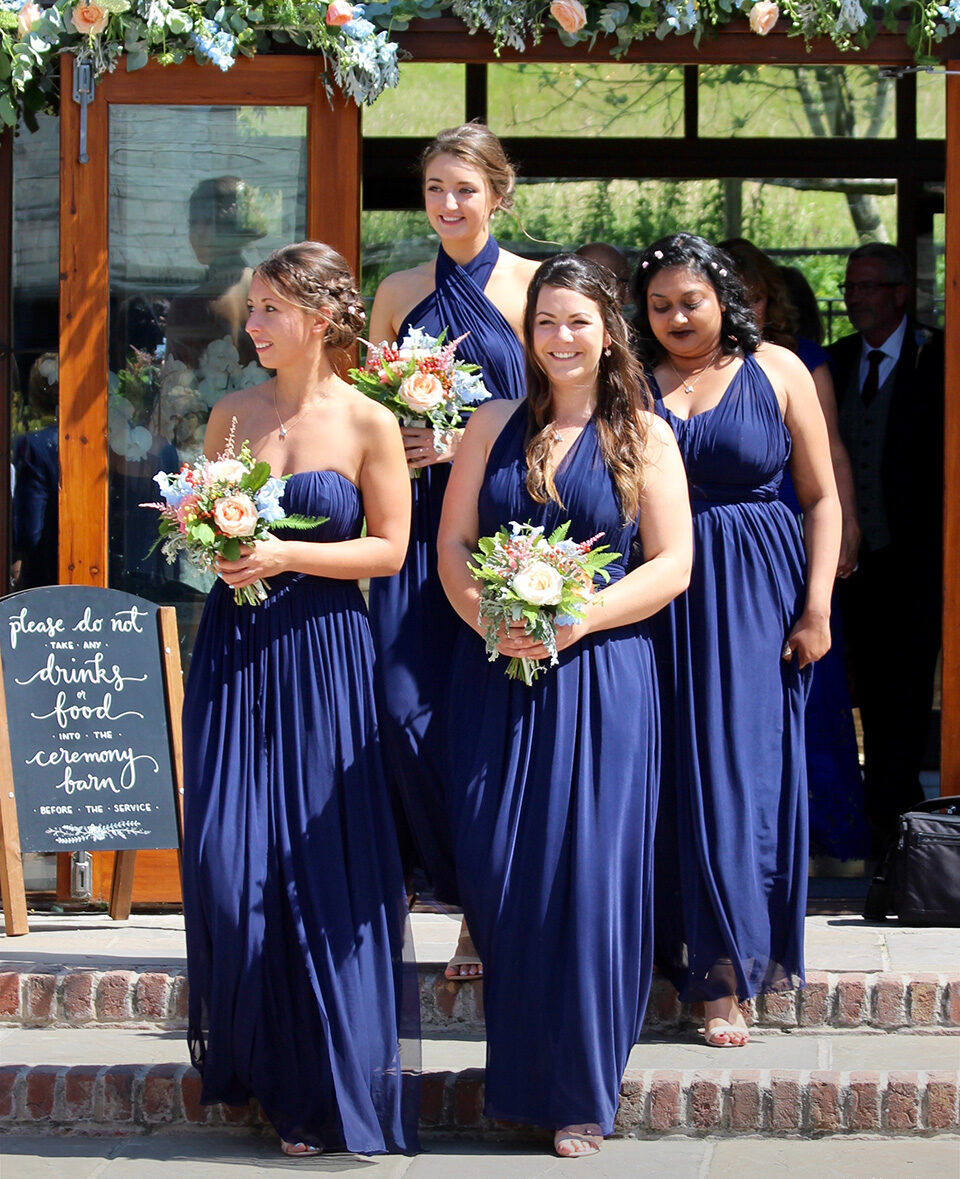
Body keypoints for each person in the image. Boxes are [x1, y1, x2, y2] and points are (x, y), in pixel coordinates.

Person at [437, 254, 692, 1156]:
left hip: (600, 676)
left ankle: (582, 1088)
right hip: (495, 678)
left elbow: (671, 565)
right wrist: (492, 618)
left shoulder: (644, 435)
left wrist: (571, 619)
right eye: (545, 321)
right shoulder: (490, 425)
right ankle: (522, 1073)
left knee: (588, 881)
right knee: (503, 877)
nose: (559, 338)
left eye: (577, 321)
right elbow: (456, 546)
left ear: (609, 329)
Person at [181, 241, 419, 1157]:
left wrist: (287, 554)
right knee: (225, 867)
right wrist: (218, 544)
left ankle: (318, 1089)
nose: (256, 325)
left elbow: (391, 550)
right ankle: (255, 1058)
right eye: (254, 310)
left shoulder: (366, 421)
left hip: (323, 653)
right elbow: (202, 528)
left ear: (322, 318)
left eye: (272, 309)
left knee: (319, 871)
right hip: (237, 651)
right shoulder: (229, 416)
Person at [634, 234, 841, 1048]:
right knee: (664, 779)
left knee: (738, 779)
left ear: (727, 298)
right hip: (657, 594)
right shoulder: (631, 385)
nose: (678, 317)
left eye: (692, 301)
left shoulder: (780, 371)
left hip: (757, 597)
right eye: (659, 305)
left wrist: (817, 605)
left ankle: (728, 977)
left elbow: (821, 497)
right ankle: (663, 959)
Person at [367, 123, 538, 979]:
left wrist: (468, 438)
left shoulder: (534, 287)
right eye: (435, 187)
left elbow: (559, 406)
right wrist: (399, 438)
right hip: (417, 517)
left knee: (490, 717)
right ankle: (446, 877)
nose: (448, 204)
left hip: (501, 519)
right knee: (403, 704)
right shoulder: (396, 289)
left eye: (465, 189)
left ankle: (481, 906)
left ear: (498, 195)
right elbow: (372, 406)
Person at [721, 238, 869, 863]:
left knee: (811, 685)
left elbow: (831, 452)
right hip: (717, 536)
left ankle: (833, 841)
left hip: (788, 526)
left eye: (750, 295)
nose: (741, 308)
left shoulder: (801, 360)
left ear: (769, 299)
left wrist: (849, 524)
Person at [827, 243, 944, 855]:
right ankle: (875, 823)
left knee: (907, 691)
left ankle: (909, 829)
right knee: (864, 690)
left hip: (922, 563)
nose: (855, 300)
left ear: (900, 293)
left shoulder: (940, 358)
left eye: (868, 287)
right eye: (850, 288)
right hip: (854, 569)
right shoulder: (839, 362)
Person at [164, 175, 263, 368]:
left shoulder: (187, 306)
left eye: (210, 222)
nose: (197, 232)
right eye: (193, 223)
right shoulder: (271, 293)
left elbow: (177, 387)